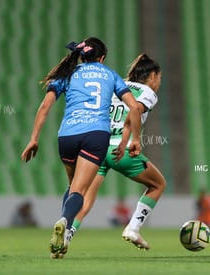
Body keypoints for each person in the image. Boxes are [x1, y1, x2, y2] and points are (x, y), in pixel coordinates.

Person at [21, 37, 141, 259]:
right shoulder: (110, 74)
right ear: (102, 58)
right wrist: (135, 139)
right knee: (80, 191)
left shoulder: (67, 72)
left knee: (72, 186)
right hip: (95, 135)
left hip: (67, 135)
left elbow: (45, 105)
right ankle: (64, 224)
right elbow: (133, 106)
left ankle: (61, 232)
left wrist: (34, 139)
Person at [67, 53, 166, 251]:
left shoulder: (118, 87)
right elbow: (135, 110)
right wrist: (134, 139)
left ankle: (67, 235)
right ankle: (133, 228)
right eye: (160, 78)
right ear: (153, 76)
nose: (159, 83)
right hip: (121, 148)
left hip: (96, 147)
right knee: (158, 184)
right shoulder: (147, 92)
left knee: (85, 198)